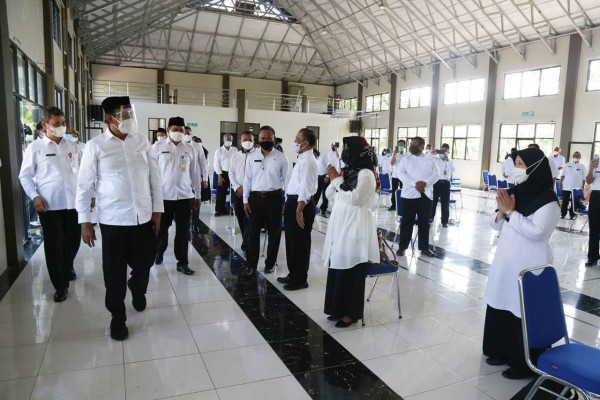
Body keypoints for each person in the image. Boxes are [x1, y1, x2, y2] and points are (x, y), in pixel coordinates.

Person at [76, 96, 163, 341]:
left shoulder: (142, 142)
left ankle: (136, 288)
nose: (129, 118)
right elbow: (84, 186)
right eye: (124, 114)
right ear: (109, 118)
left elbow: (154, 179)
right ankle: (118, 316)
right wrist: (85, 221)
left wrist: (157, 211)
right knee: (114, 273)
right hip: (113, 221)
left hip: (143, 218)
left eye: (130, 113)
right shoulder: (96, 146)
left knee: (144, 265)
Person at [483, 148, 559, 380]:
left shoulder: (549, 200)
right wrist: (502, 213)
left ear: (534, 168)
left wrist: (511, 213)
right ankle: (502, 351)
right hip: (507, 261)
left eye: (519, 163)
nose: (515, 168)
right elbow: (495, 224)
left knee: (521, 312)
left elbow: (537, 233)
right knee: (502, 305)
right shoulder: (517, 192)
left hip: (529, 264)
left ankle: (524, 363)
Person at [19, 106, 81, 302]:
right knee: (54, 246)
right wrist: (34, 196)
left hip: (74, 203)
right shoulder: (36, 148)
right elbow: (25, 176)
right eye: (56, 124)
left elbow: (84, 152)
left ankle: (67, 264)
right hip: (49, 206)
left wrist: (72, 136)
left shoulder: (71, 143)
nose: (61, 127)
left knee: (74, 240)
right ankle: (60, 284)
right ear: (45, 125)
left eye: (63, 123)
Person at [322, 136, 379, 328]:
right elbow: (329, 195)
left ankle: (351, 313)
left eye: (347, 149)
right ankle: (336, 308)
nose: (344, 153)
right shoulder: (347, 171)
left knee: (352, 267)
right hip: (341, 222)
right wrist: (334, 180)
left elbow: (354, 199)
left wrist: (338, 182)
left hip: (356, 224)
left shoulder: (366, 174)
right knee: (338, 263)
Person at [153, 117, 202, 275]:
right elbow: (151, 174)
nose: (178, 133)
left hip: (184, 196)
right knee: (161, 229)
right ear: (168, 130)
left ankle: (182, 262)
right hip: (163, 197)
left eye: (181, 130)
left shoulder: (189, 149)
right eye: (175, 130)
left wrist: (198, 195)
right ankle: (159, 252)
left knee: (183, 231)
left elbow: (195, 174)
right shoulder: (157, 147)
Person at [242, 126, 288, 277]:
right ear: (259, 138)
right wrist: (245, 200)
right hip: (255, 199)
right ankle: (251, 265)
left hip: (274, 198)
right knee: (252, 233)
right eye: (263, 138)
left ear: (274, 139)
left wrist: (286, 201)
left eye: (269, 138)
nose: (266, 141)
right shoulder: (251, 156)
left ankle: (270, 263)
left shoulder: (281, 157)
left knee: (274, 233)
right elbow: (247, 179)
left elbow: (287, 181)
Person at [278, 128, 318, 290]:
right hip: (294, 202)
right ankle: (293, 273)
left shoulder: (309, 161)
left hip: (302, 204)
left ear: (305, 143)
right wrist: (288, 203)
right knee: (292, 242)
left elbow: (306, 189)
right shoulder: (303, 158)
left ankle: (301, 279)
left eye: (297, 139)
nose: (294, 141)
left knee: (300, 243)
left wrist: (298, 210)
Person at [396, 137, 439, 257]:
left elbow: (436, 175)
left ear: (422, 146)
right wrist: (415, 184)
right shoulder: (406, 159)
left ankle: (424, 248)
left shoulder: (430, 160)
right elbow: (401, 173)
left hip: (425, 196)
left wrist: (425, 183)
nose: (411, 145)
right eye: (411, 143)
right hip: (409, 196)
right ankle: (402, 247)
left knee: (424, 223)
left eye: (414, 143)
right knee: (407, 222)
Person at [229, 131, 255, 254]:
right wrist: (237, 187)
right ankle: (247, 242)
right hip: (238, 192)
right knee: (241, 218)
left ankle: (247, 244)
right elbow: (231, 173)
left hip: (253, 193)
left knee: (251, 220)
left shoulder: (258, 155)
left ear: (254, 141)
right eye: (245, 140)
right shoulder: (235, 156)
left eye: (250, 140)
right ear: (240, 141)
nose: (247, 142)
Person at [185, 127, 209, 234]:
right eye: (184, 133)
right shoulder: (177, 146)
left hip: (195, 180)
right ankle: (186, 224)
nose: (186, 135)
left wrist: (204, 179)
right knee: (184, 206)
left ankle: (194, 225)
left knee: (196, 204)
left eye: (188, 133)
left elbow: (203, 163)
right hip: (183, 183)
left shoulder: (196, 146)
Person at [430, 143, 454, 227]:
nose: (443, 152)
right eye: (442, 150)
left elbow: (452, 169)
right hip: (436, 183)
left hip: (445, 184)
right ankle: (430, 218)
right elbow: (427, 157)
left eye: (445, 151)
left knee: (445, 203)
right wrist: (432, 152)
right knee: (433, 202)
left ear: (448, 152)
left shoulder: (450, 161)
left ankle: (444, 222)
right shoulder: (435, 159)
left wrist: (447, 161)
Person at [214, 134, 237, 216]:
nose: (229, 141)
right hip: (223, 173)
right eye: (227, 140)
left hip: (233, 173)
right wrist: (219, 176)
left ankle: (234, 208)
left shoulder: (235, 149)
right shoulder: (219, 150)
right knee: (221, 192)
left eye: (230, 140)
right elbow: (217, 164)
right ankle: (219, 210)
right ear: (223, 140)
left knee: (235, 191)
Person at [559, 151, 587, 219]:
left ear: (580, 157)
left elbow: (584, 178)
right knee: (565, 201)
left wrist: (582, 186)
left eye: (577, 156)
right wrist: (560, 184)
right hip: (566, 186)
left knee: (574, 202)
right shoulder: (567, 164)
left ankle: (572, 214)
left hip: (576, 187)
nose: (576, 157)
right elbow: (562, 175)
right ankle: (563, 214)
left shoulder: (582, 166)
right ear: (572, 156)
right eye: (575, 156)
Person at [586, 156, 600, 267]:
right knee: (594, 228)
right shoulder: (595, 162)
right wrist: (591, 168)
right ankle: (592, 257)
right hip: (596, 196)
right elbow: (589, 180)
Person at [389, 140, 406, 211]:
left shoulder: (406, 156)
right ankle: (393, 206)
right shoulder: (395, 155)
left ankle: (403, 206)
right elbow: (392, 163)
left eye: (402, 145)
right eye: (399, 145)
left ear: (404, 146)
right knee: (394, 191)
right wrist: (394, 155)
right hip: (395, 176)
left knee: (403, 191)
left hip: (403, 177)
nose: (400, 146)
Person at [313, 147, 330, 216]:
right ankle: (313, 206)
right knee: (317, 192)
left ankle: (324, 208)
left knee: (325, 193)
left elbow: (329, 166)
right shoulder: (315, 158)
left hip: (324, 177)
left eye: (313, 154)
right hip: (318, 177)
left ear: (315, 152)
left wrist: (327, 176)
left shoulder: (324, 156)